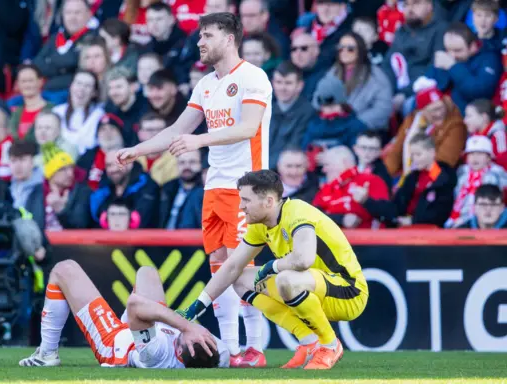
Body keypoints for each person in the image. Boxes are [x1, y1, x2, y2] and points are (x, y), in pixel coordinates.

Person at [116, 12, 271, 367]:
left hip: (245, 186)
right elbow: (176, 129)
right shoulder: (205, 85)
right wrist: (138, 150)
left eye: (207, 35)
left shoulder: (252, 77)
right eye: (200, 36)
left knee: (243, 271)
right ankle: (231, 350)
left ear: (230, 38)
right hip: (214, 187)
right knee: (219, 270)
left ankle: (256, 349)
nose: (200, 42)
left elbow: (248, 128)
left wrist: (198, 140)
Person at [178, 169, 368, 370]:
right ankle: (309, 342)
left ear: (268, 202)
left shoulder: (297, 212)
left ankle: (330, 345)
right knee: (241, 279)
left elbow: (303, 259)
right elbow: (232, 266)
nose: (240, 207)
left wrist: (271, 266)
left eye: (246, 200)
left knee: (285, 279)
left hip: (348, 293)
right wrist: (198, 306)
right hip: (313, 290)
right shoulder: (260, 224)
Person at [18, 262, 228, 368]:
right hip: (145, 329)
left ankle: (46, 354)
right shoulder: (218, 353)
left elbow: (134, 305)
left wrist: (187, 326)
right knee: (147, 272)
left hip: (116, 343)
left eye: (189, 335)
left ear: (181, 350)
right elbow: (227, 355)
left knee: (64, 269)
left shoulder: (156, 354)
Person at [360, 133, 456, 227]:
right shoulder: (412, 177)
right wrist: (367, 201)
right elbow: (395, 207)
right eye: (412, 155)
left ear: (432, 153)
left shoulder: (443, 179)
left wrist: (414, 221)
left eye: (418, 154)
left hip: (430, 234)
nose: (414, 159)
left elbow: (441, 214)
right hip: (404, 230)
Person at [384, 76, 467, 176]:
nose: (439, 113)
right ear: (422, 111)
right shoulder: (412, 120)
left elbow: (445, 161)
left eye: (441, 107)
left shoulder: (455, 124)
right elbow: (396, 151)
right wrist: (385, 178)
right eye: (433, 110)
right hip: (410, 174)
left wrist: (419, 181)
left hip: (437, 177)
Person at [382, 0, 448, 114]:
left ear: (429, 6)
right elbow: (388, 64)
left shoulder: (441, 29)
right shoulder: (402, 31)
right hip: (395, 90)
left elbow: (434, 68)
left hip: (420, 91)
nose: (410, 9)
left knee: (408, 106)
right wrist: (388, 93)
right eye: (406, 4)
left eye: (416, 3)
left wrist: (405, 94)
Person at [320, 31, 393, 131]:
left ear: (360, 51)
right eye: (341, 48)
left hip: (364, 130)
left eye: (350, 49)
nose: (344, 52)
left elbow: (383, 108)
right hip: (332, 126)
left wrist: (357, 123)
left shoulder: (376, 76)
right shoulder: (332, 72)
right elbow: (321, 100)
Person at [425, 22, 502, 113]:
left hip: (469, 116)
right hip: (442, 114)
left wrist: (453, 67)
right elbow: (429, 85)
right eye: (447, 49)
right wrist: (440, 69)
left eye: (458, 50)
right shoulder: (446, 57)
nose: (452, 55)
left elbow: (480, 92)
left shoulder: (490, 59)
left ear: (473, 47)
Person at [34, 0, 95, 104]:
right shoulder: (55, 38)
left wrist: (51, 61)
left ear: (89, 14)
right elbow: (37, 63)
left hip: (71, 94)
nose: (72, 17)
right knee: (11, 104)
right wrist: (63, 68)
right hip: (45, 92)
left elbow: (72, 61)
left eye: (77, 13)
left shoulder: (93, 38)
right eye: (68, 13)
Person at [314, 146, 390, 229]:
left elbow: (388, 214)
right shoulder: (327, 188)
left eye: (327, 165)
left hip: (367, 239)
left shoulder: (370, 181)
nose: (324, 170)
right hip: (333, 240)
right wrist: (341, 219)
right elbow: (313, 216)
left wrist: (366, 201)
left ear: (345, 163)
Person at [25, 143, 91, 230]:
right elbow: (29, 224)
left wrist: (61, 210)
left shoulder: (82, 192)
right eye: (62, 169)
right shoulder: (36, 193)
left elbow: (81, 225)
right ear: (50, 174)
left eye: (71, 168)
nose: (70, 174)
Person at [445, 136, 507, 228]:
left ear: (489, 158)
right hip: (458, 219)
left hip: (484, 222)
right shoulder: (462, 174)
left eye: (479, 154)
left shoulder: (494, 176)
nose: (475, 158)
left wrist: (464, 221)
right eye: (471, 154)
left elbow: (487, 205)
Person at [91, 150, 159, 228]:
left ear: (130, 164)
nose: (112, 169)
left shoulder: (147, 185)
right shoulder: (102, 189)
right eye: (108, 165)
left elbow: (144, 219)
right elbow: (96, 217)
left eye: (117, 164)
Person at [301, 74, 367, 150]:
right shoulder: (312, 124)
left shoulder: (356, 126)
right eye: (324, 105)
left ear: (342, 103)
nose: (328, 109)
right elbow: (303, 150)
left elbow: (359, 154)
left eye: (332, 105)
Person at [269, 61, 314, 169]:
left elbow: (294, 148)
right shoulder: (267, 108)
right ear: (272, 83)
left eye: (288, 83)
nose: (282, 88)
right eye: (279, 82)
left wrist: (261, 168)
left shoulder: (308, 112)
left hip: (285, 171)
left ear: (300, 86)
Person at [53, 69, 105, 156]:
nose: (81, 89)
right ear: (71, 86)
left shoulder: (99, 115)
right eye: (78, 83)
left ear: (94, 93)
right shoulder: (57, 112)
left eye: (87, 86)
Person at [76, 114, 126, 190]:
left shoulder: (130, 154)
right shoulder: (88, 157)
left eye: (112, 128)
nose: (107, 133)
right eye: (103, 129)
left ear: (120, 133)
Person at [159, 149, 204, 229]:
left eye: (192, 162)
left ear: (201, 164)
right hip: (163, 239)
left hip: (193, 240)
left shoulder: (205, 191)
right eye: (182, 163)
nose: (186, 167)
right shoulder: (167, 188)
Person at [9, 64, 54, 141]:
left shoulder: (53, 109)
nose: (27, 85)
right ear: (18, 84)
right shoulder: (15, 112)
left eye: (31, 80)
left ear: (41, 82)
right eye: (23, 81)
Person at [104, 66, 148, 146]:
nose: (113, 92)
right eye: (110, 88)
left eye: (118, 87)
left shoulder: (147, 108)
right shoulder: (109, 110)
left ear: (133, 87)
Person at [135, 112, 178, 187]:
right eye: (150, 130)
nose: (155, 133)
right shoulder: (133, 160)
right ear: (140, 134)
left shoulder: (177, 158)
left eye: (159, 130)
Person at [464, 98, 507, 169]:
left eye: (469, 116)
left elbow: (504, 165)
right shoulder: (473, 136)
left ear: (484, 117)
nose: (465, 121)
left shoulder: (498, 135)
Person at [8, 140, 43, 210]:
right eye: (13, 161)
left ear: (33, 162)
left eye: (22, 160)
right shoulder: (10, 186)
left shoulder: (42, 187)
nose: (17, 166)